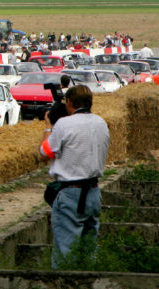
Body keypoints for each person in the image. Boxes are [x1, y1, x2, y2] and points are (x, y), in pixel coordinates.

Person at [39, 85, 109, 268]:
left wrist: (48, 128)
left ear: (69, 102)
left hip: (70, 193)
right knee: (89, 250)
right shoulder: (101, 123)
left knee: (65, 253)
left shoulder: (64, 124)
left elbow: (45, 152)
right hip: (93, 193)